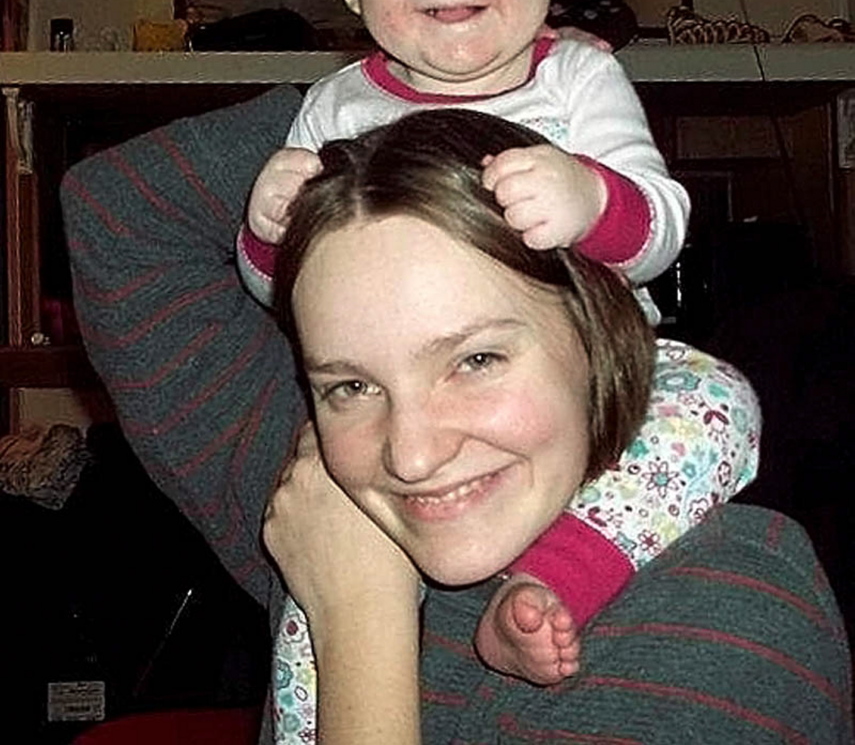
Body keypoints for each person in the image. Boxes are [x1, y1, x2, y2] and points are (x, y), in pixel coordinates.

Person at [62, 95, 851, 744]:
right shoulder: (326, 502)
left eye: (475, 360)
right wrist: (417, 72)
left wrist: (357, 618)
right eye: (348, 384)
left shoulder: (733, 613)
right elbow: (116, 213)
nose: (410, 454)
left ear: (596, 332)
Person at [234, 0, 749, 708]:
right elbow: (287, 298)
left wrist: (590, 195)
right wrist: (268, 231)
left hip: (608, 378)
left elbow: (662, 227)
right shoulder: (338, 103)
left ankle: (556, 578)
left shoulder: (579, 80)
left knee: (716, 400)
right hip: (387, 409)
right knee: (324, 559)